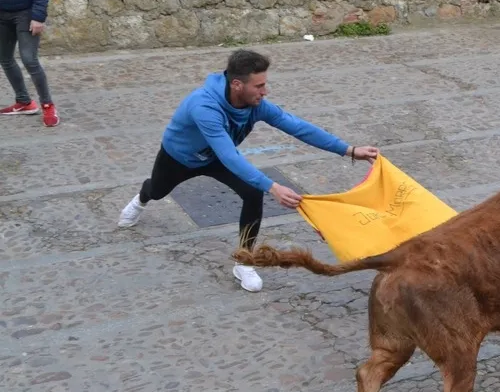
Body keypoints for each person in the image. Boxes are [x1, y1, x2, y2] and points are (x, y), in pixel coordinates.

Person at [116, 49, 380, 292]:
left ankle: (244, 260)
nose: (265, 91)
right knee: (158, 190)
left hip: (217, 157)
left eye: (264, 84)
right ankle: (141, 199)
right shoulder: (204, 106)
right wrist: (273, 186)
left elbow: (297, 126)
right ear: (237, 85)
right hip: (179, 158)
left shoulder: (255, 105)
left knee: (252, 193)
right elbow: (230, 156)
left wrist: (348, 150)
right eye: (259, 86)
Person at [0, 0, 60, 127]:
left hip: (25, 13)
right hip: (2, 14)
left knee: (29, 59)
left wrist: (38, 16)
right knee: (5, 58)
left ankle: (48, 105)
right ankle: (24, 102)